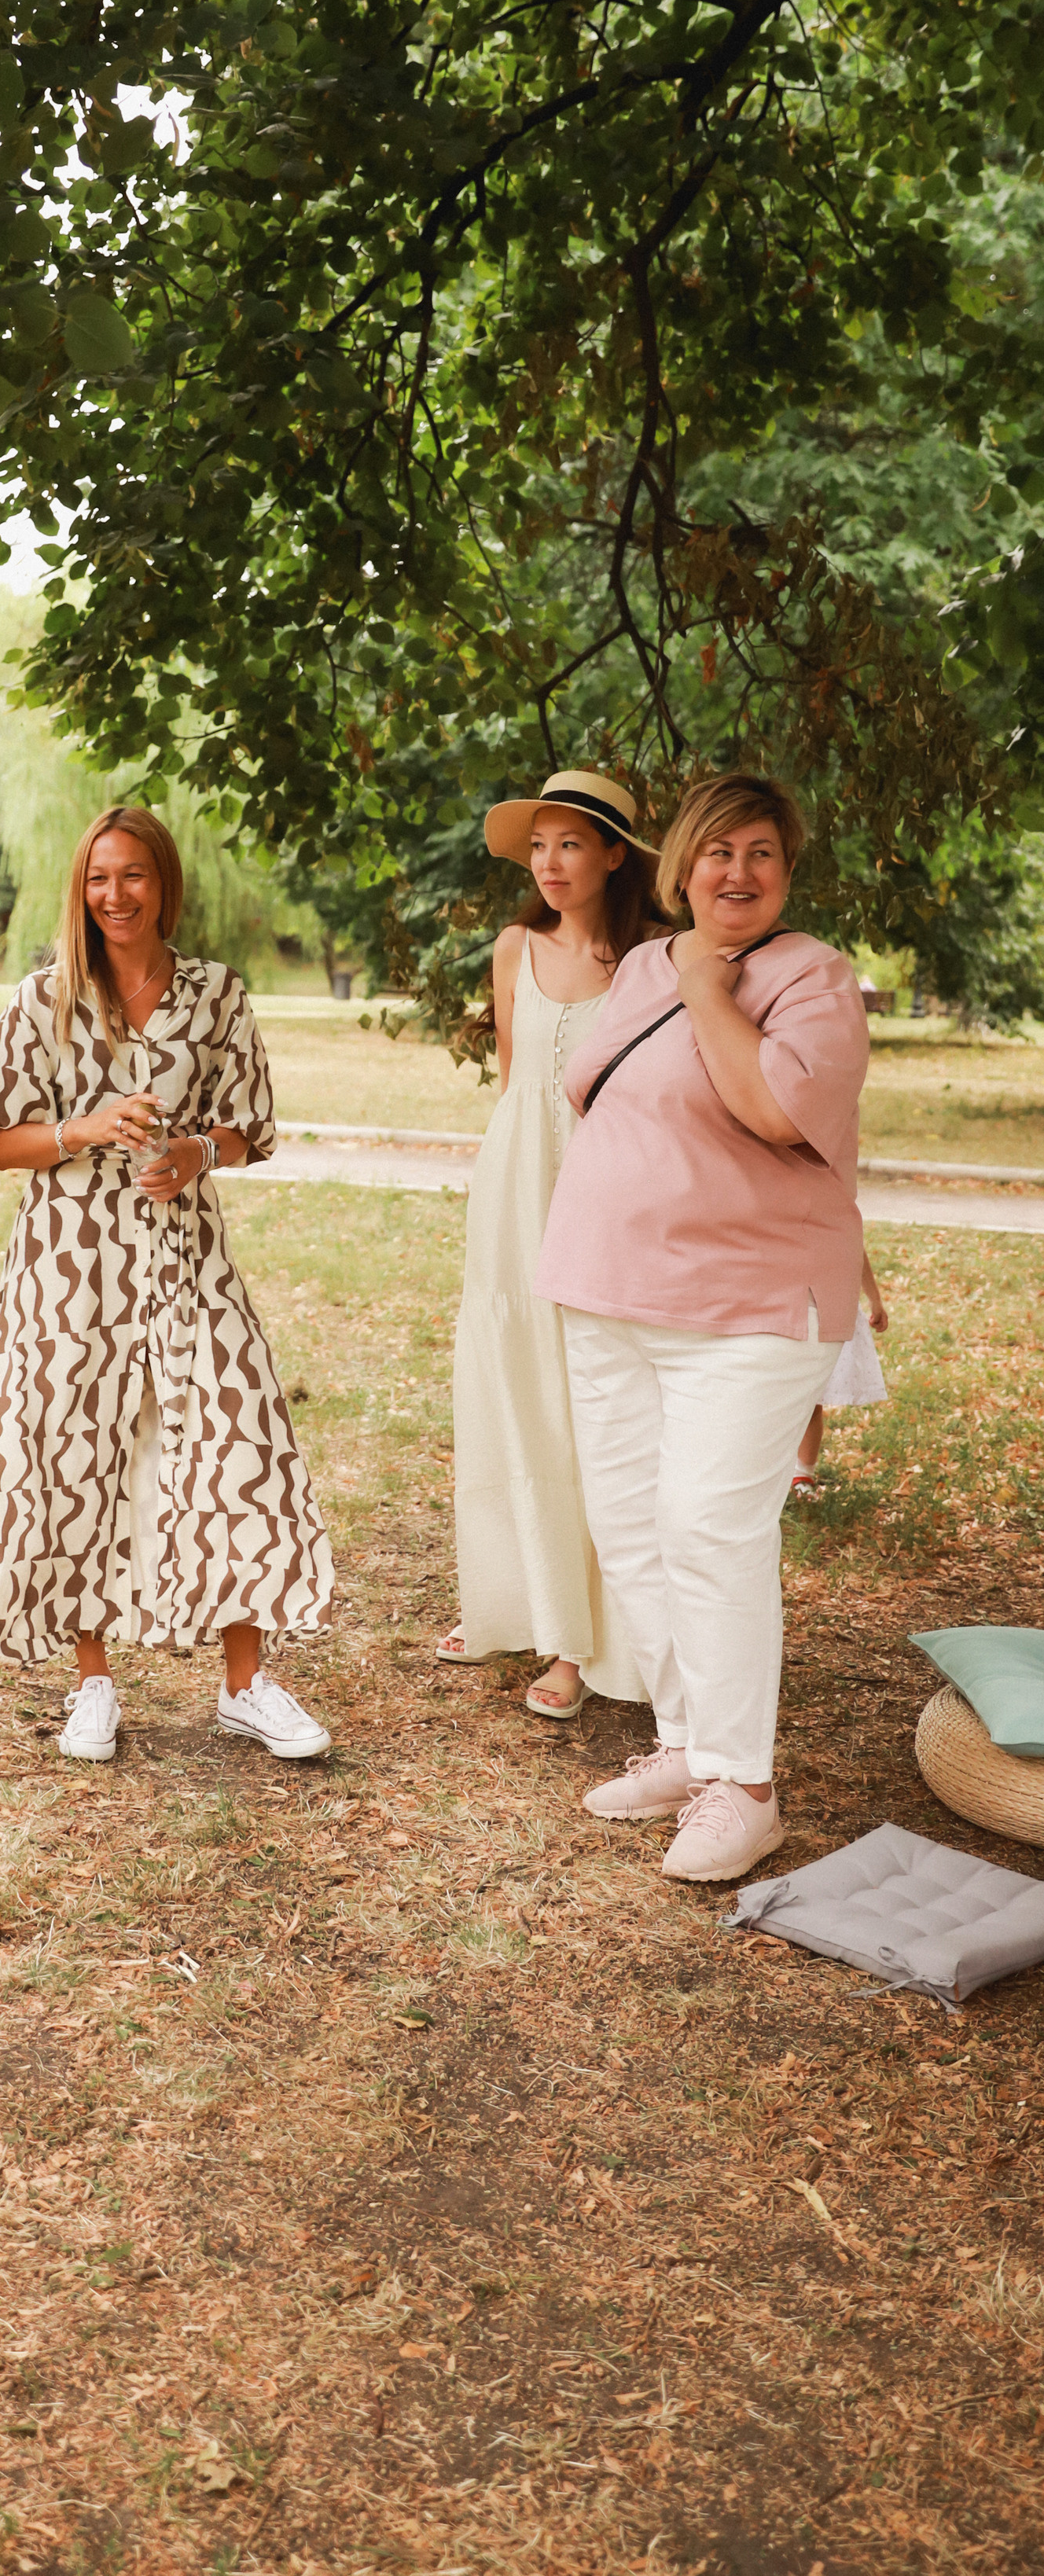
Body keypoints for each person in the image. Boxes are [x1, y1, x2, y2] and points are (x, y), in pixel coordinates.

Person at [0, 805, 333, 1762]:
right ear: (82, 887)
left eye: (134, 875)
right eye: (99, 877)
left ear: (164, 883)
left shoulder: (216, 993)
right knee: (77, 1455)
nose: (115, 894)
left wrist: (198, 1151)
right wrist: (86, 1126)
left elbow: (247, 1128)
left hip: (184, 1255)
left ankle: (246, 1684)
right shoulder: (43, 999)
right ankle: (93, 1684)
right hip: (70, 1263)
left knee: (232, 1439)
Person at [535, 773, 870, 1881]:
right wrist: (672, 971)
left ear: (787, 873)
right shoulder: (637, 967)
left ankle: (747, 1787)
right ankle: (688, 1745)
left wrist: (703, 983)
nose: (737, 872)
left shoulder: (812, 978)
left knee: (710, 1527)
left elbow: (771, 1110)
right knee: (631, 1524)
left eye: (762, 853)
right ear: (679, 865)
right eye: (717, 851)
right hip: (610, 1289)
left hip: (752, 1309)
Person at [441, 771, 656, 1720]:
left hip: (612, 1189)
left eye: (571, 843)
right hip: (516, 1187)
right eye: (539, 846)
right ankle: (523, 1605)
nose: (551, 863)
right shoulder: (513, 946)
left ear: (615, 854)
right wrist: (502, 1194)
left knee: (599, 1408)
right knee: (518, 1395)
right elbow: (514, 1087)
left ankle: (590, 1641)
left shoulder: (654, 959)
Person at [791, 1250, 890, 1492]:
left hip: (823, 1304)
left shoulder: (835, 1216)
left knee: (812, 1398)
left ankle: (802, 1475)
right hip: (780, 1305)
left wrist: (875, 1300)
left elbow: (856, 1249)